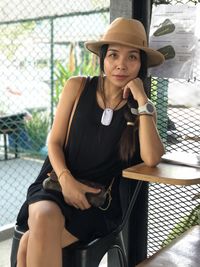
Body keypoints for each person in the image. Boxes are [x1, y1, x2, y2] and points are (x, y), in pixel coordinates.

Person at [16, 17, 165, 267]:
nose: (121, 65)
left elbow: (152, 158)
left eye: (132, 57)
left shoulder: (142, 108)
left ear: (141, 64)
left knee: (28, 246)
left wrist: (141, 97)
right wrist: (67, 181)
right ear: (103, 59)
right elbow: (54, 141)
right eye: (114, 55)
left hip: (98, 202)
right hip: (56, 183)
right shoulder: (77, 86)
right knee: (41, 217)